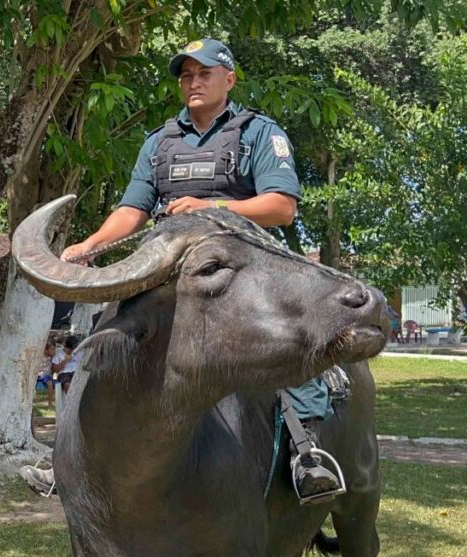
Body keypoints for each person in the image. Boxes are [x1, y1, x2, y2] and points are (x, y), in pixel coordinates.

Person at [21, 38, 342, 505]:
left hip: (241, 263)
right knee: (105, 335)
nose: (193, 82)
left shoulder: (257, 132)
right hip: (168, 265)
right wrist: (90, 246)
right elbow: (133, 209)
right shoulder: (160, 140)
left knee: (289, 333)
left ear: (228, 80)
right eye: (186, 75)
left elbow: (282, 206)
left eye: (203, 73)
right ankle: (70, 457)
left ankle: (306, 451)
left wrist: (210, 205)